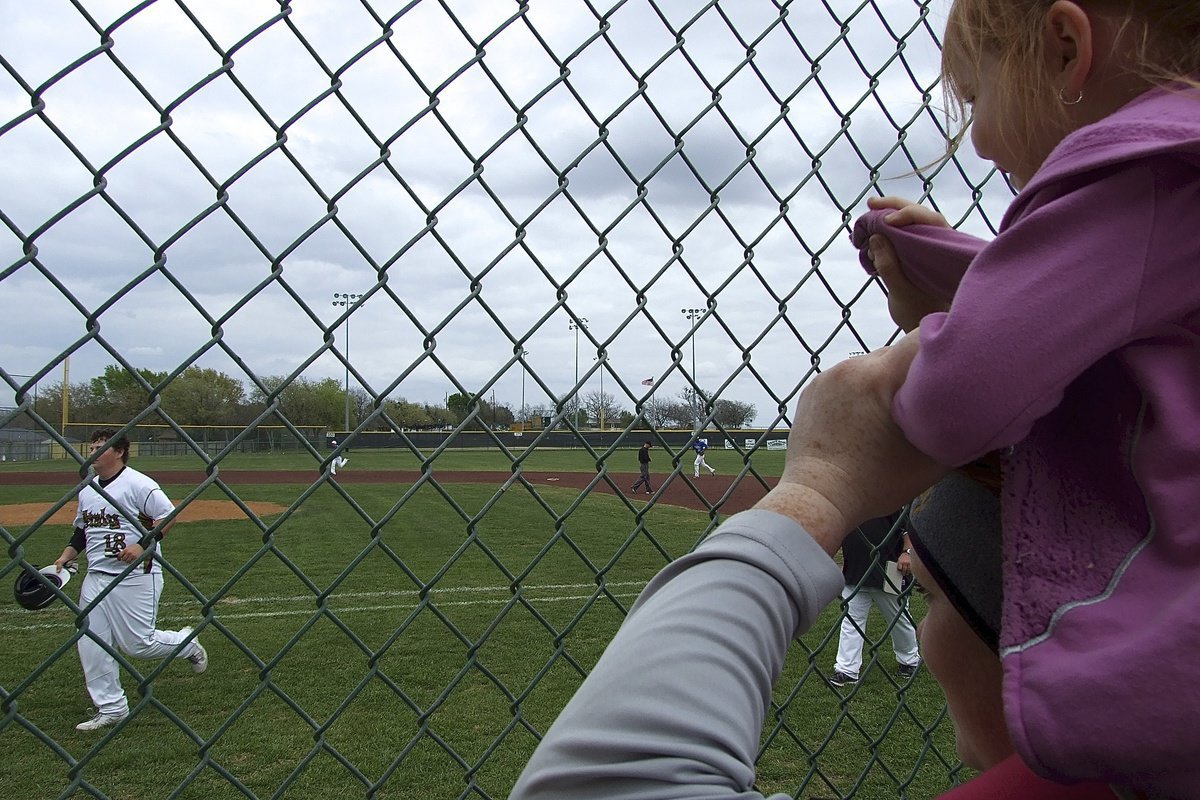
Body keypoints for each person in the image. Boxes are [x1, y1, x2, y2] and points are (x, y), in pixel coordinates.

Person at [509, 340, 1120, 799]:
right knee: (869, 618)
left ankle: (877, 658)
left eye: (940, 595)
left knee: (882, 618)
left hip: (864, 572)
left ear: (1026, 624)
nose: (918, 564)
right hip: (859, 576)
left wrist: (815, 492)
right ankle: (860, 662)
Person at [848, 1, 1200, 793]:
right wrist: (972, 276)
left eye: (975, 100)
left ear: (1067, 49)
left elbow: (958, 396)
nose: (975, 140)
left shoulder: (1136, 172)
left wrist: (940, 329)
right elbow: (1110, 306)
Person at [53, 428, 208, 732]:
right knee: (91, 641)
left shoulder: (138, 484)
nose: (93, 453)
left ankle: (186, 643)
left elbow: (168, 515)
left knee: (138, 644)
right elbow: (83, 530)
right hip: (97, 576)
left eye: (101, 447)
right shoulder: (88, 488)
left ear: (119, 451)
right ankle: (111, 707)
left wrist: (141, 544)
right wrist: (67, 554)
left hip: (137, 573)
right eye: (92, 446)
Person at [829, 511, 920, 688]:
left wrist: (907, 552)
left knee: (898, 618)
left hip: (888, 569)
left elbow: (908, 527)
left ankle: (909, 660)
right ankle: (847, 669)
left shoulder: (891, 496)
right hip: (854, 570)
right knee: (851, 620)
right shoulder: (850, 502)